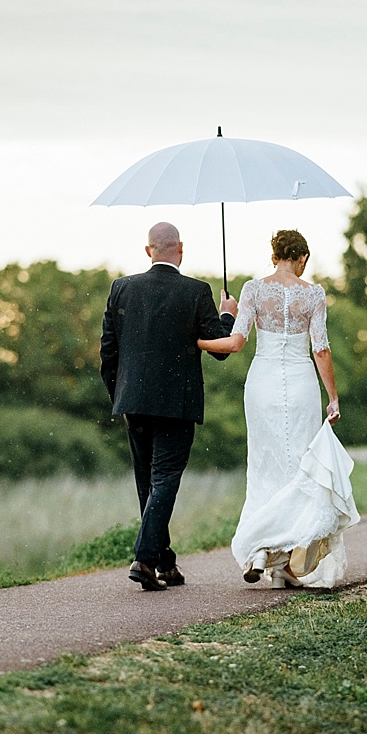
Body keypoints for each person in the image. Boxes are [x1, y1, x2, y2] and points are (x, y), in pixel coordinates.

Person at [198, 229, 358, 589]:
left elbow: (235, 343)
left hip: (263, 385)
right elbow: (321, 349)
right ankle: (282, 558)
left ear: (274, 257)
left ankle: (263, 553)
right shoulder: (314, 294)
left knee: (265, 465)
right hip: (301, 385)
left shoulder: (254, 290)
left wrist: (198, 341)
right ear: (302, 258)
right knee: (300, 467)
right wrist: (333, 396)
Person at [100, 222, 239, 591]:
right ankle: (145, 559)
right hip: (176, 405)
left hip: (132, 402)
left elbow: (107, 353)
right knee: (163, 479)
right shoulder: (196, 291)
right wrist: (228, 313)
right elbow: (220, 348)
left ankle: (165, 563)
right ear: (181, 248)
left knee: (147, 481)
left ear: (148, 250)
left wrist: (122, 395)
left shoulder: (121, 288)